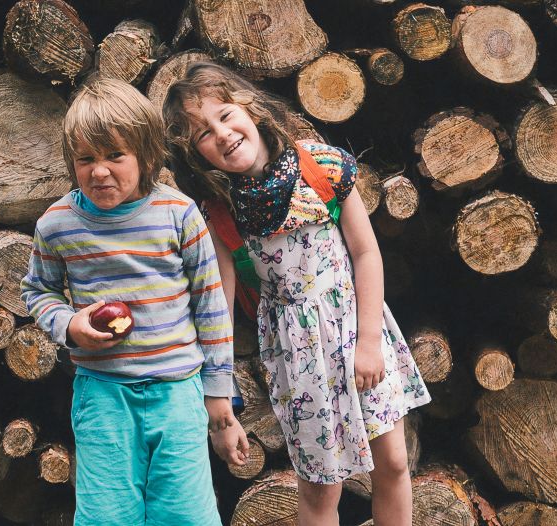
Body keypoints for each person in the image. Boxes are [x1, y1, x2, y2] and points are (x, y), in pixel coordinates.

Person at [163, 62, 431, 526]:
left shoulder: (321, 168)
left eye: (225, 115)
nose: (222, 134)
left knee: (391, 463)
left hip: (356, 329)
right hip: (298, 357)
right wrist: (219, 402)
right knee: (322, 488)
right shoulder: (223, 215)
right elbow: (219, 314)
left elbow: (366, 253)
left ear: (251, 107)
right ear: (196, 155)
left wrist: (369, 340)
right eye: (204, 134)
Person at [20, 77, 247, 526]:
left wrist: (218, 394)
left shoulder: (180, 215)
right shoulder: (58, 224)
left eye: (114, 156)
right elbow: (37, 290)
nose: (99, 171)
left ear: (145, 155)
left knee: (185, 514)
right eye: (86, 159)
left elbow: (211, 306)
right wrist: (68, 325)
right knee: (107, 516)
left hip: (178, 391)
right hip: (103, 394)